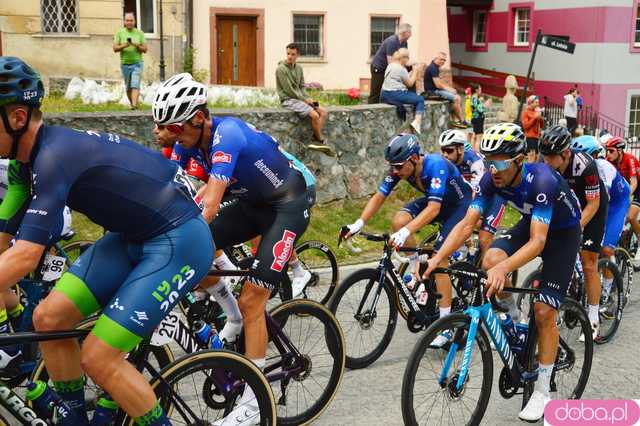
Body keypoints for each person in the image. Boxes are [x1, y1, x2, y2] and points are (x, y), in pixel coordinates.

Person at [0, 57, 212, 425]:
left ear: (17, 118)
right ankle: (73, 419)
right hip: (133, 236)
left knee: (99, 358)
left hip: (180, 240)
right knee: (48, 318)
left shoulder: (52, 157)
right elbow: (3, 241)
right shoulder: (23, 166)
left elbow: (25, 257)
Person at [152, 73, 310, 425]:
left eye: (172, 128)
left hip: (288, 204)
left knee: (253, 299)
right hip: (253, 204)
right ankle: (233, 318)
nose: (164, 135)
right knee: (196, 251)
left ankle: (256, 402)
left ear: (197, 119)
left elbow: (208, 207)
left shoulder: (228, 135)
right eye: (162, 127)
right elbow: (165, 189)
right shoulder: (187, 144)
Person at [423, 122, 582, 421]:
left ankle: (544, 392)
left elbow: (539, 242)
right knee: (490, 258)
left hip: (563, 235)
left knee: (544, 311)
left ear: (519, 160)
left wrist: (507, 268)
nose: (492, 169)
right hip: (532, 222)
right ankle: (513, 317)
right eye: (487, 161)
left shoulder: (542, 179)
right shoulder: (490, 180)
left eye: (498, 162)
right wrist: (437, 258)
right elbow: (466, 224)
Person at [344, 133, 473, 347]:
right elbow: (379, 196)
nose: (395, 171)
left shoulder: (436, 165)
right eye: (392, 167)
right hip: (437, 202)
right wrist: (358, 223)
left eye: (398, 166)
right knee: (399, 220)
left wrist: (406, 233)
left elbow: (434, 209)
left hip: (459, 206)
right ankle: (415, 270)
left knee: (439, 258)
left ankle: (446, 325)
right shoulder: (401, 167)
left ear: (414, 158)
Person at [540, 126, 608, 342]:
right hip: (568, 203)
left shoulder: (585, 166)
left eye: (552, 157)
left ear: (566, 153)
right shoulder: (548, 164)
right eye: (545, 156)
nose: (547, 161)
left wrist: (575, 229)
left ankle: (593, 317)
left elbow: (593, 203)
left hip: (593, 205)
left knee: (589, 263)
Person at [571, 135, 631, 306]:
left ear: (593, 156)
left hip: (616, 205)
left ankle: (606, 290)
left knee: (605, 247)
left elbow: (600, 205)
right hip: (599, 203)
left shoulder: (603, 168)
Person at [438, 129, 505, 255]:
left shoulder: (474, 161)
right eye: (443, 150)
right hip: (475, 191)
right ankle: (471, 250)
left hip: (494, 193)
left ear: (460, 149)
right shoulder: (447, 163)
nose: (445, 155)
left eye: (449, 150)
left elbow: (477, 191)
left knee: (484, 237)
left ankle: (490, 270)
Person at [275, 43, 333, 156]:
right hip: (288, 100)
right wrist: (304, 100)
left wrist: (307, 98)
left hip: (299, 99)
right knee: (315, 115)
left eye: (293, 54)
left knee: (324, 112)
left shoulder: (299, 68)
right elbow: (288, 90)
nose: (290, 56)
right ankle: (319, 141)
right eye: (288, 54)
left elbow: (302, 86)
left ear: (298, 55)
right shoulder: (281, 69)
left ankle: (314, 140)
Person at [605, 136, 640, 267]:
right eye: (607, 150)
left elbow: (634, 183)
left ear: (620, 151)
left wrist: (624, 198)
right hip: (623, 188)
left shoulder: (629, 159)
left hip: (636, 188)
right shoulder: (609, 161)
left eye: (611, 151)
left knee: (630, 216)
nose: (608, 154)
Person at [380, 49, 425, 134]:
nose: (408, 61)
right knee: (420, 99)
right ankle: (417, 122)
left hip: (385, 93)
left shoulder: (391, 65)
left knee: (414, 96)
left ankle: (417, 122)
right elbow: (410, 84)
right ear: (403, 58)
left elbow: (402, 78)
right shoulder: (401, 69)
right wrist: (415, 71)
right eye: (407, 58)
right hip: (394, 94)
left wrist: (411, 73)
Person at [369, 23, 412, 104]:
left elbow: (404, 58)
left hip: (389, 68)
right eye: (410, 32)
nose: (411, 35)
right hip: (379, 68)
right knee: (375, 92)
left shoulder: (404, 43)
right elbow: (391, 62)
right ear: (404, 32)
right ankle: (370, 111)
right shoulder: (392, 41)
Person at [423, 52, 467, 128]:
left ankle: (455, 120)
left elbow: (440, 82)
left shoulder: (435, 67)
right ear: (435, 58)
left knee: (456, 98)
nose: (443, 61)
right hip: (432, 92)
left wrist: (450, 89)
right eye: (441, 59)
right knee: (457, 98)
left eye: (444, 60)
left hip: (435, 90)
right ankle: (462, 121)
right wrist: (449, 90)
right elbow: (438, 85)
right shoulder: (432, 68)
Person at [112, 12, 147, 109]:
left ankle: (134, 105)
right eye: (127, 20)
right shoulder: (120, 33)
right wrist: (125, 45)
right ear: (124, 22)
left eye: (131, 20)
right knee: (128, 87)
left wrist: (136, 45)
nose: (129, 22)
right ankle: (133, 105)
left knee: (135, 85)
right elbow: (115, 48)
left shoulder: (139, 33)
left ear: (134, 21)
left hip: (137, 63)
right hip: (125, 64)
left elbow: (145, 49)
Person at [521, 95, 545, 162]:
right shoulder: (525, 112)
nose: (538, 104)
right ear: (531, 103)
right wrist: (534, 118)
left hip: (537, 137)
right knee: (531, 156)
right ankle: (529, 170)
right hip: (530, 137)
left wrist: (540, 118)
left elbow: (542, 126)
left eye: (538, 102)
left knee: (537, 156)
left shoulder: (536, 112)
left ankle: (534, 170)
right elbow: (525, 126)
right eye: (536, 102)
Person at [469, 83, 492, 150]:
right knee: (479, 137)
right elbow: (480, 110)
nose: (481, 90)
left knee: (475, 136)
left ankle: (472, 151)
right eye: (480, 89)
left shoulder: (474, 98)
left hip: (476, 119)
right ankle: (478, 154)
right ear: (476, 90)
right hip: (478, 119)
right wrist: (486, 104)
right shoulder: (475, 98)